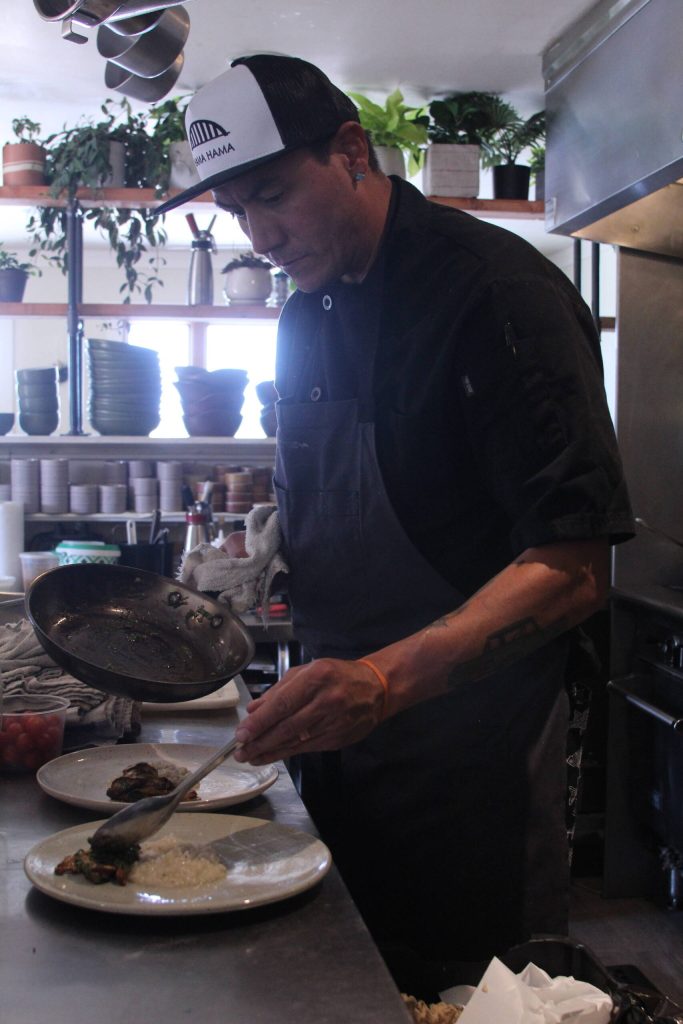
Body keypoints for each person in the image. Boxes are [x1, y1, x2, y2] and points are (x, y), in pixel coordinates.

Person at [158, 55, 634, 992]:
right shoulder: (304, 315)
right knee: (341, 981)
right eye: (233, 213)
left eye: (272, 197)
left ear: (350, 151)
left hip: (474, 766)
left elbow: (575, 565)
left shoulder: (496, 297)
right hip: (336, 749)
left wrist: (382, 678)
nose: (258, 235)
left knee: (468, 993)